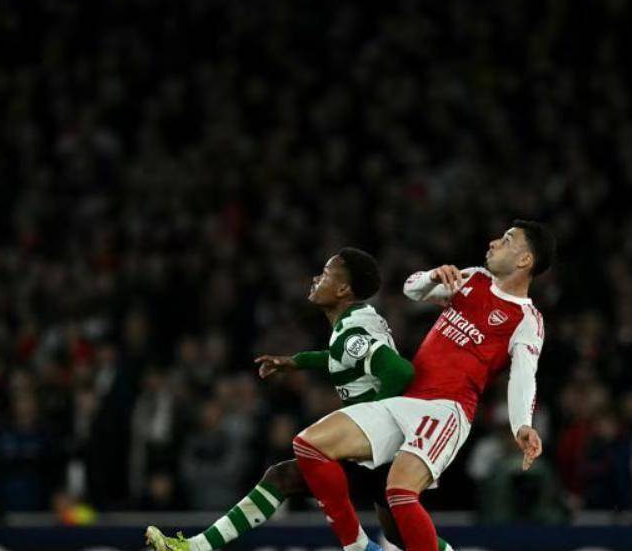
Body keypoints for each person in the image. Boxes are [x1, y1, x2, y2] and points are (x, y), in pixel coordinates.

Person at [146, 247, 454, 551]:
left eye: (325, 274)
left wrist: (372, 421)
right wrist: (296, 361)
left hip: (379, 448)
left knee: (289, 471)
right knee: (401, 535)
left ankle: (198, 547)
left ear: (343, 289)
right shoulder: (357, 322)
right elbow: (341, 357)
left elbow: (400, 371)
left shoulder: (351, 332)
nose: (316, 279)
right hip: (388, 446)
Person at [290, 221, 555, 551]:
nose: (493, 242)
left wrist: (522, 426)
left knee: (399, 492)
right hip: (405, 400)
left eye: (506, 240)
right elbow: (411, 289)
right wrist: (432, 276)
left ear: (525, 260)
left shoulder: (527, 320)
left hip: (446, 410)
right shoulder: (474, 278)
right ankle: (357, 546)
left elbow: (524, 376)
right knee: (310, 444)